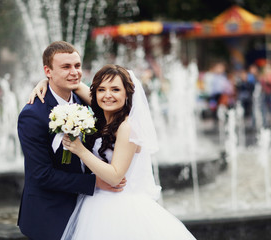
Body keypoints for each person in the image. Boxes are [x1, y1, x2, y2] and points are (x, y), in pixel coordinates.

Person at [31, 64, 196, 239]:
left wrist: (79, 150)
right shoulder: (103, 114)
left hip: (120, 208)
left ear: (127, 94)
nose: (107, 95)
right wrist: (45, 82)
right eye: (101, 89)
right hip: (96, 203)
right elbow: (77, 85)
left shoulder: (128, 128)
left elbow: (116, 176)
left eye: (115, 89)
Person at [18, 41, 125, 240]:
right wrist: (95, 182)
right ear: (47, 71)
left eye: (77, 66)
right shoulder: (33, 114)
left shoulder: (89, 101)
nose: (74, 72)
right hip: (51, 213)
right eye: (66, 67)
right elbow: (41, 175)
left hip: (92, 209)